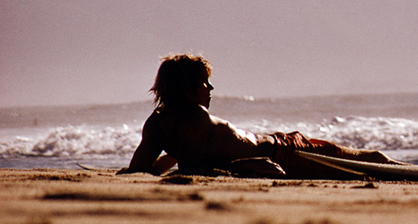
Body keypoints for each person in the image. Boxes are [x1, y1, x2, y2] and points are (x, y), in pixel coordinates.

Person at [119, 54, 401, 179]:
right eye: (205, 82)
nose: (211, 87)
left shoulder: (157, 122)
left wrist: (160, 166)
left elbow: (143, 168)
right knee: (372, 161)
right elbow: (190, 169)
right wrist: (245, 168)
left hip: (281, 146)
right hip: (286, 156)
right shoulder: (195, 116)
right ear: (188, 88)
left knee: (369, 160)